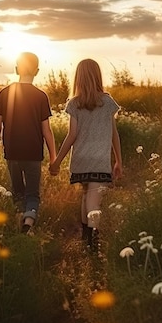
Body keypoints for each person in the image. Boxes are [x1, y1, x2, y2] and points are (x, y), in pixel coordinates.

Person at [49, 58, 122, 252]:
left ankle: (85, 239)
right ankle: (93, 245)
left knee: (85, 197)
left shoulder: (75, 103)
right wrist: (118, 161)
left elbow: (71, 135)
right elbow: (114, 133)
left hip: (80, 160)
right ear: (97, 76)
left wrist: (57, 162)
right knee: (93, 201)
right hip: (99, 161)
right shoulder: (107, 102)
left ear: (78, 78)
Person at [0, 52, 56, 234]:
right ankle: (29, 220)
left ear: (17, 69)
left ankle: (19, 220)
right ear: (37, 71)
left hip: (12, 152)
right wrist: (54, 158)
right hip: (33, 154)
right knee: (32, 193)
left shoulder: (4, 93)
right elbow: (46, 131)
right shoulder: (41, 96)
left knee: (17, 192)